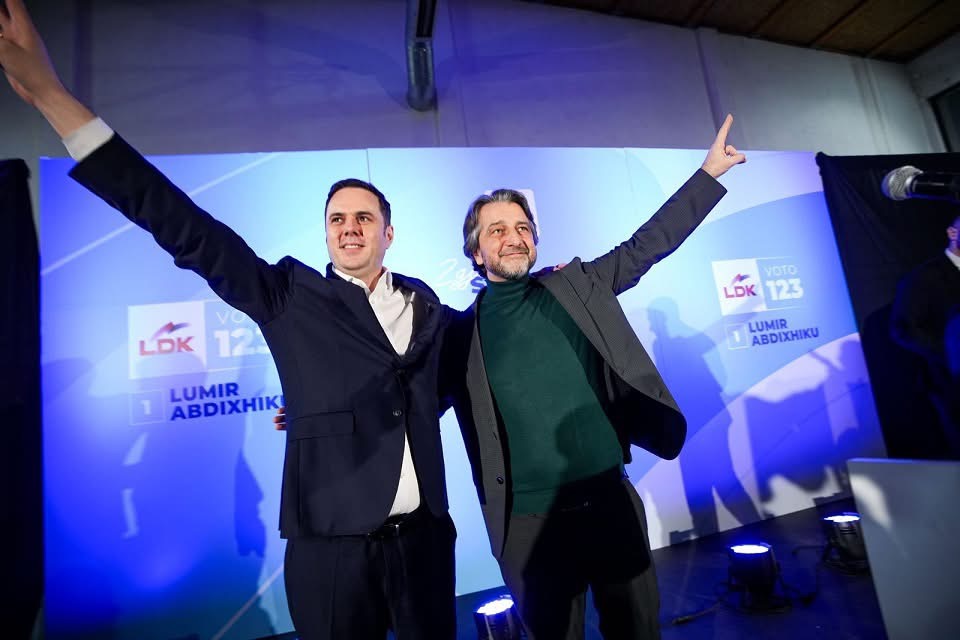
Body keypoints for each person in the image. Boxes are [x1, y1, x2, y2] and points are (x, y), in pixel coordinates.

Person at [0, 2, 455, 638]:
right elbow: (183, 225)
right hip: (332, 554)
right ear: (326, 233)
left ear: (389, 233)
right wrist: (54, 97)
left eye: (364, 218)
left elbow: (444, 384)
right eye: (337, 219)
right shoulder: (288, 295)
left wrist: (330, 410)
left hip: (426, 545)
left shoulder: (430, 309)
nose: (350, 228)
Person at [439, 116, 744, 639]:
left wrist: (708, 174)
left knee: (638, 632)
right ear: (476, 251)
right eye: (497, 230)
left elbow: (646, 245)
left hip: (609, 505)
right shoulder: (457, 334)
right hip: (528, 526)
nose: (514, 238)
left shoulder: (578, 286)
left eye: (523, 228)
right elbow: (409, 401)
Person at [890, 214, 960, 457]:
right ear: (952, 233)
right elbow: (904, 329)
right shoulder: (925, 276)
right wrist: (952, 355)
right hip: (950, 382)